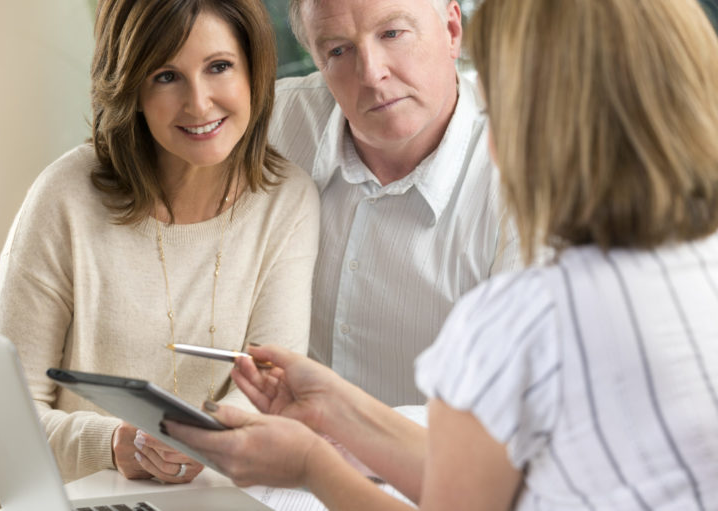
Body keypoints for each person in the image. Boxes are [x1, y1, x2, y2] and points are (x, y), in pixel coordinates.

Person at [163, 0, 718, 509]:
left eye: (497, 98)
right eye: (338, 50)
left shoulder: (525, 316)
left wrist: (311, 464)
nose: (372, 74)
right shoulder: (698, 266)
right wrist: (335, 410)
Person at [0, 0, 319, 508]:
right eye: (166, 76)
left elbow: (267, 392)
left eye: (219, 67)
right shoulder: (65, 196)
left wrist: (208, 438)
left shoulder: (288, 200)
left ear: (254, 70)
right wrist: (112, 444)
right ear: (133, 90)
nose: (199, 104)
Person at [269, 0, 522, 406]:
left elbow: (511, 405)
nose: (371, 74)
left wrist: (342, 431)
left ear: (452, 31)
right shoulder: (268, 127)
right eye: (338, 50)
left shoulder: (529, 178)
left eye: (392, 34)